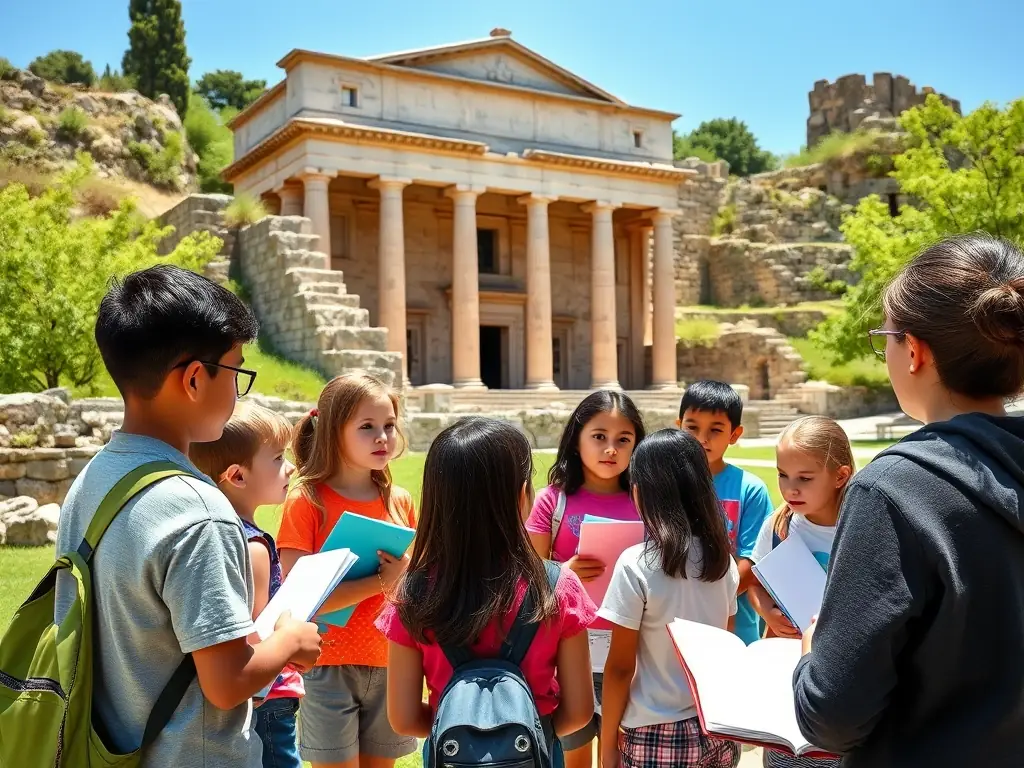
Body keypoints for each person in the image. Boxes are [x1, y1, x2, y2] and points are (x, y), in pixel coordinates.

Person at [53, 265, 321, 767]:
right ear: (196, 378)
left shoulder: (96, 477)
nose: (239, 391)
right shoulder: (200, 512)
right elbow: (227, 683)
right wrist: (289, 641)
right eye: (237, 371)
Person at [794, 234, 1024, 767]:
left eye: (887, 339)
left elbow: (833, 716)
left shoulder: (894, 491)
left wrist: (810, 657)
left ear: (915, 351)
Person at [376, 416, 597, 757]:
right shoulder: (558, 587)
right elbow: (580, 711)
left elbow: (404, 719)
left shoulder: (413, 593)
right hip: (533, 753)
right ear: (524, 496)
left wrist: (458, 726)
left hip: (452, 754)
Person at [276, 372, 418, 768]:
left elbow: (413, 582)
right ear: (333, 433)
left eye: (389, 425)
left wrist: (407, 576)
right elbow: (298, 600)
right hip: (326, 666)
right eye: (367, 427)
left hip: (391, 662)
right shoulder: (307, 501)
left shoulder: (400, 501)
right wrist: (379, 581)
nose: (383, 437)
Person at [599, 429, 740, 768]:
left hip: (653, 732)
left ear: (641, 491)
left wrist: (606, 748)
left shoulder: (636, 564)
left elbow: (619, 668)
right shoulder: (724, 563)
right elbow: (726, 646)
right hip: (716, 727)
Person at [525, 390, 646, 768]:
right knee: (574, 756)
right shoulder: (551, 501)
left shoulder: (646, 500)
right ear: (576, 440)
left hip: (632, 655)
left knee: (622, 755)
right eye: (599, 436)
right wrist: (563, 574)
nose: (611, 448)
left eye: (623, 440)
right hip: (567, 656)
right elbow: (526, 578)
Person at [190, 402, 305, 768]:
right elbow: (258, 632)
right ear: (237, 476)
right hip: (269, 698)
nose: (290, 467)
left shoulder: (214, 531)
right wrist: (295, 640)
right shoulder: (254, 545)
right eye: (277, 458)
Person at [745, 416, 853, 768]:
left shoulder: (862, 525)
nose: (790, 489)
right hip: (786, 680)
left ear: (841, 476)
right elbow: (757, 585)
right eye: (782, 475)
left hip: (841, 681)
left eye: (805, 479)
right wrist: (767, 614)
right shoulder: (779, 526)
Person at [678, 380, 774, 645]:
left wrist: (710, 598)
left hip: (735, 631)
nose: (701, 438)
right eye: (692, 427)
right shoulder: (665, 484)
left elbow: (754, 561)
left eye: (715, 430)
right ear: (678, 427)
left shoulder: (750, 489)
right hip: (670, 624)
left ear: (735, 434)